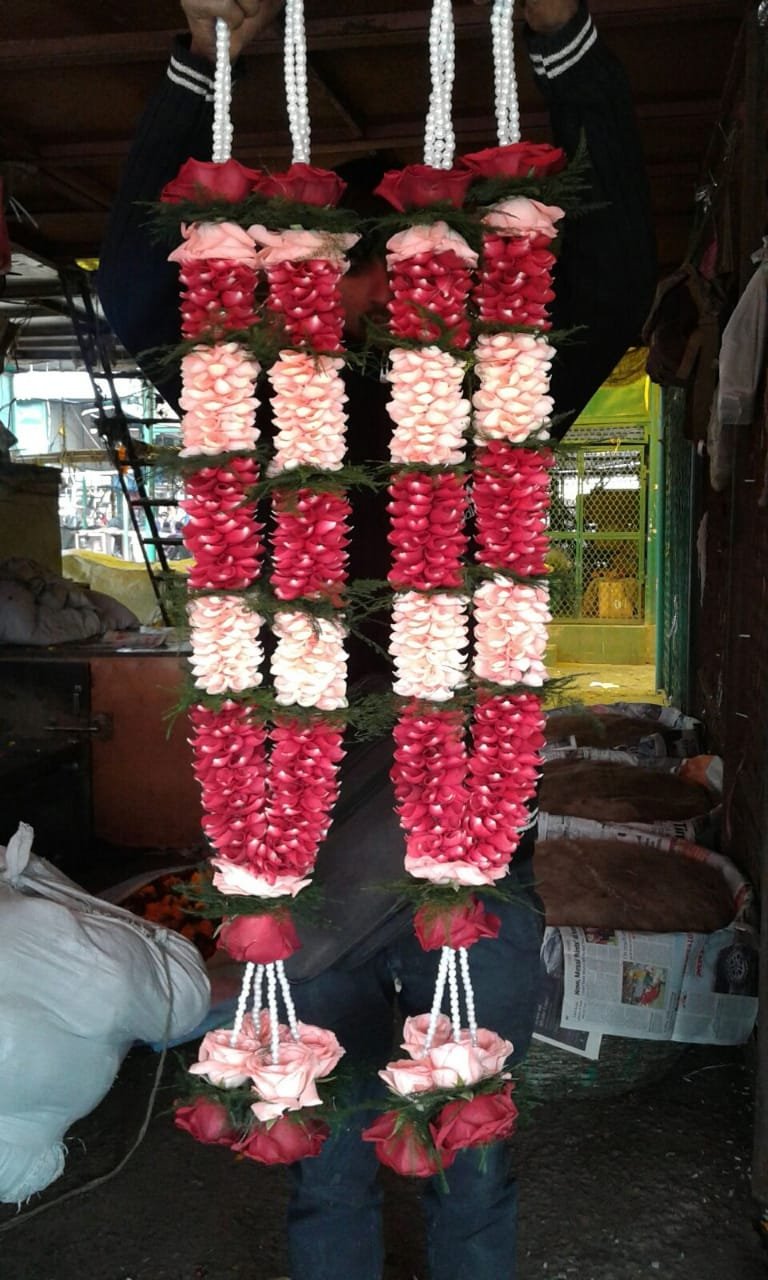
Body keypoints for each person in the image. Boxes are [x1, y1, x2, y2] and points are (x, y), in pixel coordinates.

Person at [97, 3, 656, 1278]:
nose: (361, 287)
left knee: (472, 1149)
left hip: (464, 838)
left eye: (392, 259)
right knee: (323, 1149)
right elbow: (137, 285)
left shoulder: (488, 384)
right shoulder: (239, 386)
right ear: (285, 269)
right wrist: (201, 69)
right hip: (292, 859)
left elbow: (616, 275)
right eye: (326, 259)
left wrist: (570, 51)